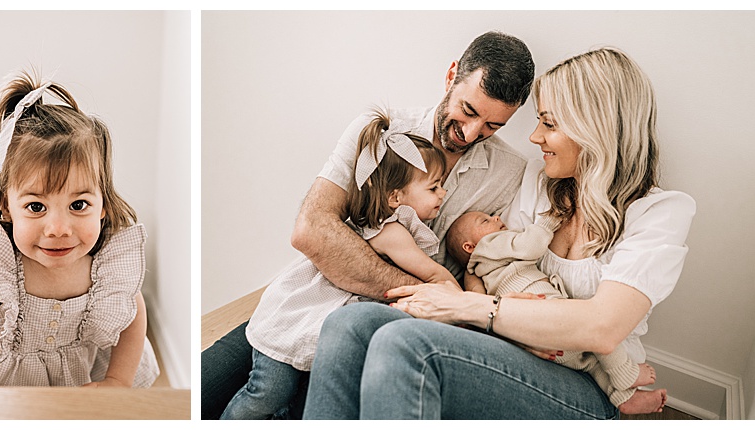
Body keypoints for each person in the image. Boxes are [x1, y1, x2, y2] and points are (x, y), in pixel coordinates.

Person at [303, 47, 695, 420]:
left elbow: (602, 328)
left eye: (549, 123)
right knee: (347, 325)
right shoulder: (536, 185)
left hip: (590, 380)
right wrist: (507, 313)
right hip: (509, 344)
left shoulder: (660, 211)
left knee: (406, 346)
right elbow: (481, 261)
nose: (535, 136)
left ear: (595, 129)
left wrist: (469, 307)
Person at [200, 31, 534, 419]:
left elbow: (482, 261)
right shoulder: (384, 132)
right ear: (451, 76)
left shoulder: (509, 173)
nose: (473, 134)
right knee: (200, 397)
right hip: (311, 297)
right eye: (469, 111)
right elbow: (312, 231)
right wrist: (430, 289)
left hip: (384, 329)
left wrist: (494, 308)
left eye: (493, 126)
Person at [221, 112, 453, 419]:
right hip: (300, 316)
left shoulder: (391, 225)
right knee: (267, 391)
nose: (443, 194)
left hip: (314, 322)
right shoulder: (393, 232)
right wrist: (459, 301)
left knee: (285, 401)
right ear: (396, 197)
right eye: (434, 187)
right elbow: (433, 274)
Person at [0, 72, 158, 387]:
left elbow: (134, 318)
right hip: (13, 390)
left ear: (102, 205)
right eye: (36, 207)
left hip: (83, 384)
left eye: (78, 205)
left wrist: (117, 380)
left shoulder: (106, 266)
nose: (58, 229)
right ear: (7, 207)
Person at [445, 210, 664, 413]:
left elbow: (480, 304)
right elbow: (529, 246)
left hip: (526, 335)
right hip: (543, 310)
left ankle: (623, 398)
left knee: (588, 362)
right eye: (485, 220)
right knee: (593, 334)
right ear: (470, 247)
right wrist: (549, 220)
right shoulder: (491, 245)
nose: (496, 218)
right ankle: (625, 373)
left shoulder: (472, 273)